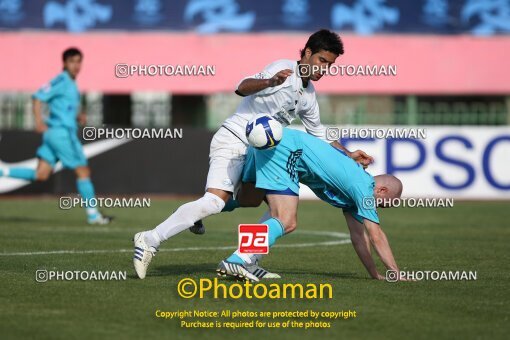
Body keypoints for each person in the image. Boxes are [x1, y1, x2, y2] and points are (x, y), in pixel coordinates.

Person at [132, 30, 373, 279]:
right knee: (215, 202)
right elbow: (242, 87)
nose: (325, 68)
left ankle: (245, 259)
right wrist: (270, 82)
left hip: (259, 152)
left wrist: (348, 153)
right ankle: (149, 239)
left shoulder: (309, 94)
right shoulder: (283, 69)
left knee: (274, 209)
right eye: (323, 61)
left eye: (330, 65)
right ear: (308, 53)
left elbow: (319, 132)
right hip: (234, 139)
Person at [217, 128, 406, 282]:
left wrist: (375, 274)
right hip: (286, 148)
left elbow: (359, 237)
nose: (377, 209)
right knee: (286, 220)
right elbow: (376, 235)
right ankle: (238, 259)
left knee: (248, 200)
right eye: (383, 205)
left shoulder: (354, 195)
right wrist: (395, 273)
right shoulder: (363, 187)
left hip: (275, 143)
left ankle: (210, 207)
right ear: (381, 190)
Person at [0, 48, 111, 225]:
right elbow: (37, 97)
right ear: (65, 63)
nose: (76, 65)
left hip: (56, 133)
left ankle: (3, 171)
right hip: (61, 134)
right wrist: (38, 120)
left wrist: (78, 116)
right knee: (82, 170)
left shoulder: (71, 84)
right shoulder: (61, 80)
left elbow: (63, 108)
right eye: (72, 61)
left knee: (41, 174)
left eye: (78, 61)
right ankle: (93, 215)